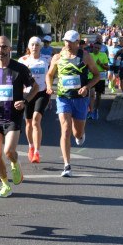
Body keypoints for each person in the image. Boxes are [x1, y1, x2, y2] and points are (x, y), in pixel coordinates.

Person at [0, 36, 38, 198]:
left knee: (8, 151)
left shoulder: (20, 69)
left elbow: (35, 87)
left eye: (4, 47)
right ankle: (5, 185)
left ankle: (15, 162)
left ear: (10, 49)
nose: (1, 50)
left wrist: (25, 101)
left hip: (13, 117)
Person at [46, 29, 100, 178]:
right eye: (66, 41)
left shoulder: (86, 57)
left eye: (70, 42)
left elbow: (97, 75)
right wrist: (49, 87)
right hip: (63, 98)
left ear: (77, 42)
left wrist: (87, 87)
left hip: (80, 99)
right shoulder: (57, 57)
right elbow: (49, 74)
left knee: (77, 132)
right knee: (65, 129)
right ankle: (67, 165)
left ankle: (80, 135)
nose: (67, 44)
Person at [17, 36, 53, 163]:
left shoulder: (47, 59)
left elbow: (53, 72)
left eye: (37, 45)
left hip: (42, 92)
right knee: (28, 122)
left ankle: (37, 152)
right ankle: (31, 146)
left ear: (41, 47)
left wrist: (50, 85)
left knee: (36, 120)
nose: (34, 47)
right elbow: (17, 77)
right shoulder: (22, 60)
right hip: (27, 93)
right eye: (32, 45)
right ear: (28, 46)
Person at [88, 41, 110, 121]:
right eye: (95, 47)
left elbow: (108, 68)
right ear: (92, 48)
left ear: (100, 49)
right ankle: (91, 111)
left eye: (98, 48)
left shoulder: (103, 55)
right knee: (92, 94)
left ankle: (96, 109)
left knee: (98, 96)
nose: (96, 49)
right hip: (91, 76)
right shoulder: (89, 56)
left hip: (101, 77)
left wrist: (101, 64)